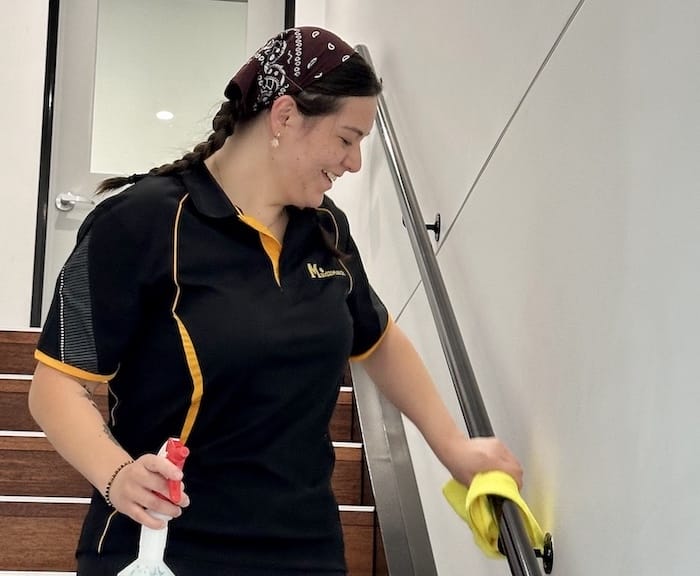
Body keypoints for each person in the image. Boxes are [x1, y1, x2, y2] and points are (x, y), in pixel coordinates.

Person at [29, 26, 523, 575]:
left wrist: (455, 449)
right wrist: (117, 474)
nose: (355, 162)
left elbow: (378, 342)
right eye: (346, 138)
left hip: (305, 548)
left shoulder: (326, 230)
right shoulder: (137, 224)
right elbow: (56, 385)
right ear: (285, 116)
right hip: (167, 547)